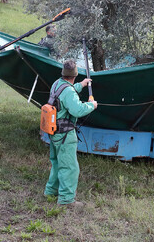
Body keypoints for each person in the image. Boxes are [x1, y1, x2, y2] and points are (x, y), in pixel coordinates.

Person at [44, 60, 97, 207]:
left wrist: (82, 85)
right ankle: (67, 200)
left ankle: (50, 191)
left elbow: (67, 92)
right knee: (70, 167)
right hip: (65, 134)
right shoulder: (69, 91)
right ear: (75, 75)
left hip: (54, 132)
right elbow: (77, 110)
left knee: (57, 163)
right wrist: (91, 105)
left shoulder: (57, 84)